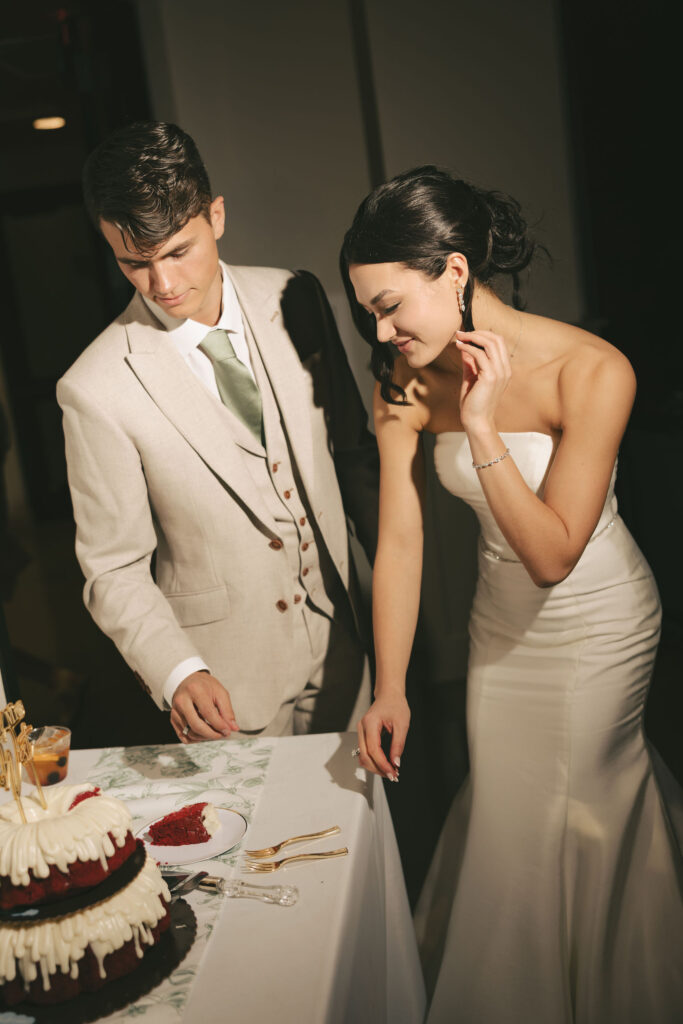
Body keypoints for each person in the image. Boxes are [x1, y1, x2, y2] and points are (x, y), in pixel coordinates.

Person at [341, 166, 683, 1023]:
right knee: (505, 811)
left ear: (453, 273)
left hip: (596, 622)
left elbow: (553, 554)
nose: (379, 331)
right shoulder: (404, 384)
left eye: (388, 305)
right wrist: (390, 686)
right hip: (498, 630)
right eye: (367, 313)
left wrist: (485, 422)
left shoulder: (592, 369)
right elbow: (402, 538)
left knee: (580, 809)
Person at [58, 121, 378, 744]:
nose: (164, 284)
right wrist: (178, 672)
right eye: (135, 263)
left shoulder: (297, 297)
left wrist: (394, 618)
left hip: (349, 649)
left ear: (217, 216)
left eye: (178, 251)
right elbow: (112, 569)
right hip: (227, 688)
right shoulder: (93, 387)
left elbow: (357, 458)